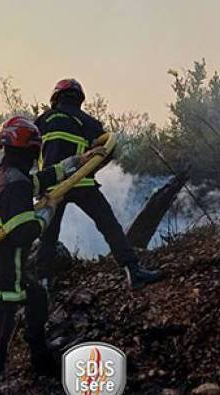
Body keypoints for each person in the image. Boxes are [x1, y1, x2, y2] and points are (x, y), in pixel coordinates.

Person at [0, 116, 104, 395]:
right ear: (31, 150)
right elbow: (26, 233)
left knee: (37, 297)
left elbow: (40, 180)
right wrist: (48, 210)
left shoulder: (5, 175)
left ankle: (40, 358)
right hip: (0, 281)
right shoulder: (15, 184)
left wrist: (77, 162)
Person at [34, 78, 163, 289]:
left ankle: (44, 283)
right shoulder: (88, 122)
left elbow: (29, 151)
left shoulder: (41, 121)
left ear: (56, 98)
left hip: (53, 188)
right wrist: (89, 170)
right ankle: (133, 271)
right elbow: (107, 151)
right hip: (84, 184)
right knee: (109, 226)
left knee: (48, 237)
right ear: (79, 99)